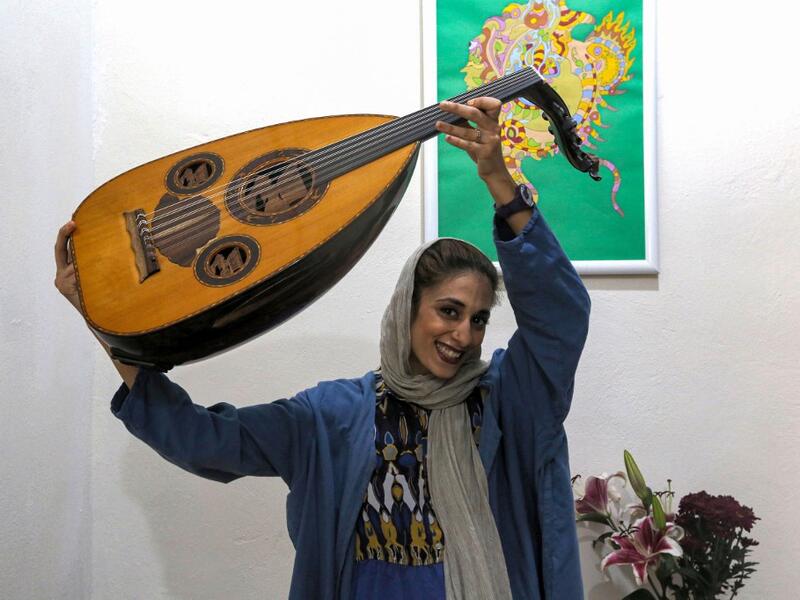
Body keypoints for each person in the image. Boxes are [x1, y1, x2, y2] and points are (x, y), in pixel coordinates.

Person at [55, 97, 591, 600]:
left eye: (478, 319)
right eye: (448, 311)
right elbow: (206, 441)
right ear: (406, 309)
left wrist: (500, 181)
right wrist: (105, 323)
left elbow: (560, 319)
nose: (464, 335)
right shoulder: (333, 415)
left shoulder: (508, 402)